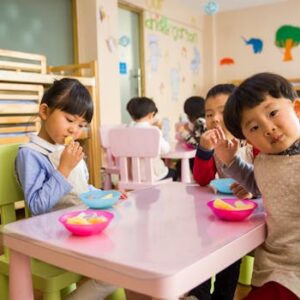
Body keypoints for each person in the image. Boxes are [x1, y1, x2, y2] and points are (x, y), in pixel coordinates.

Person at [15, 78, 119, 300]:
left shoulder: (66, 148)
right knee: (115, 271)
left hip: (78, 228)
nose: (75, 129)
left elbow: (81, 189)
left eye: (81, 125)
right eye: (69, 119)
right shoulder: (30, 154)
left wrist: (106, 195)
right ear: (45, 111)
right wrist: (63, 168)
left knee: (124, 252)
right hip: (52, 236)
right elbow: (36, 206)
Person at [216, 72, 300, 299]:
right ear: (247, 138)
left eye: (273, 113)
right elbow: (258, 183)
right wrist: (231, 161)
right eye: (253, 128)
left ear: (297, 108)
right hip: (272, 263)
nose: (268, 128)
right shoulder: (264, 159)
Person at [188, 84, 255, 300]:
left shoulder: (253, 139)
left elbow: (267, 176)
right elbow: (203, 179)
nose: (215, 119)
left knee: (231, 255)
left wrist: (253, 189)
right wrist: (205, 149)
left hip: (252, 213)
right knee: (204, 241)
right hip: (223, 208)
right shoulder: (214, 143)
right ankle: (198, 293)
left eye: (222, 111)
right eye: (209, 114)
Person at [126, 96, 178, 181]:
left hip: (134, 176)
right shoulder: (154, 131)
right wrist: (160, 131)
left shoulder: (127, 130)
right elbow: (166, 149)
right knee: (174, 172)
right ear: (151, 115)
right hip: (154, 176)